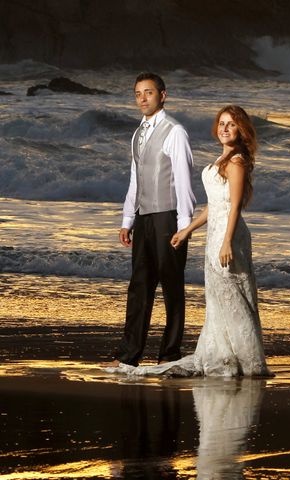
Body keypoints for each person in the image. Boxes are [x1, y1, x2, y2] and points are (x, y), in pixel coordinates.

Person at [108, 105, 270, 377]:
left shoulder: (237, 161)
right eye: (221, 123)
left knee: (234, 294)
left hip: (229, 236)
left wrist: (227, 241)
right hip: (215, 233)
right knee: (219, 296)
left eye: (231, 124)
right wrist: (187, 229)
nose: (224, 129)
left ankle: (246, 358)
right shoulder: (222, 159)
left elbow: (234, 207)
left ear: (241, 129)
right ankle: (225, 351)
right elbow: (214, 206)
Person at [107, 72, 196, 368]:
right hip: (144, 219)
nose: (142, 98)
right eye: (137, 94)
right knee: (139, 286)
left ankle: (169, 354)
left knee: (172, 286)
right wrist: (127, 218)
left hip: (169, 218)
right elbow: (135, 179)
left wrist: (184, 226)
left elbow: (184, 183)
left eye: (148, 93)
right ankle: (129, 356)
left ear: (163, 95)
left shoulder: (175, 131)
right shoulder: (137, 133)